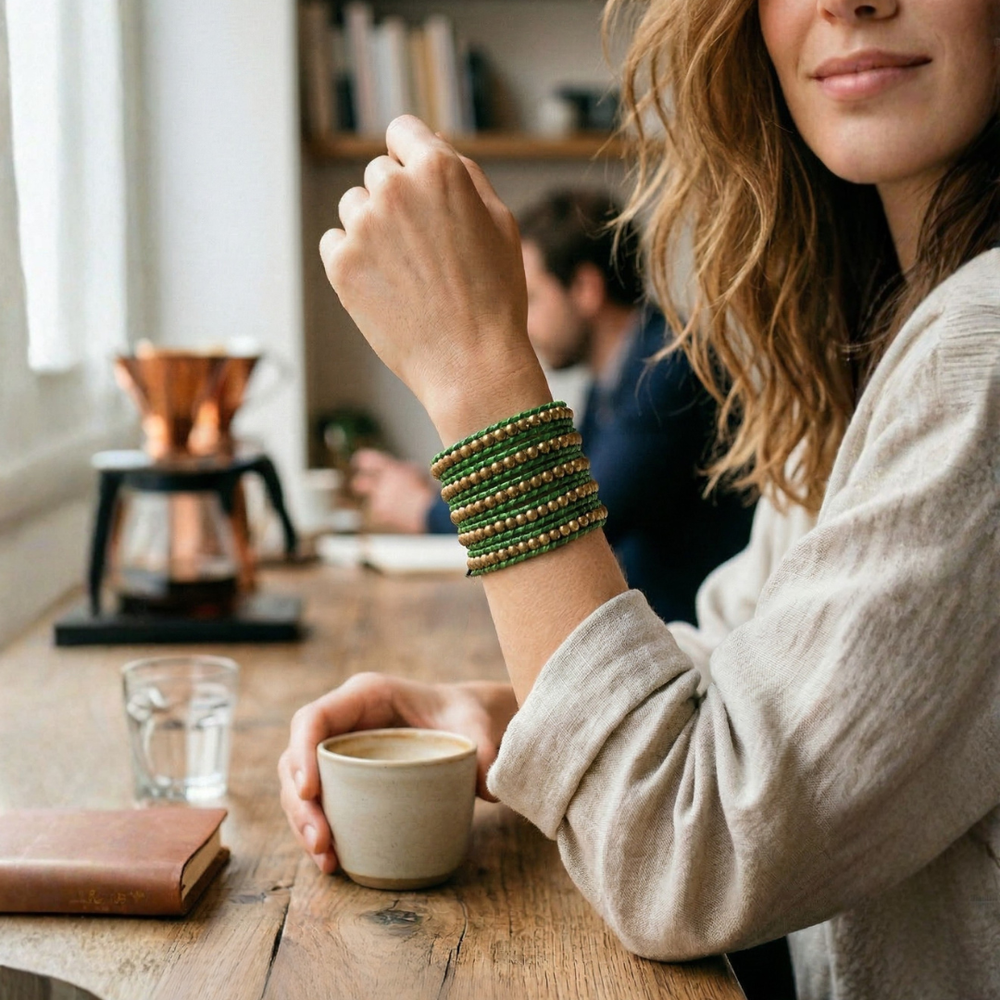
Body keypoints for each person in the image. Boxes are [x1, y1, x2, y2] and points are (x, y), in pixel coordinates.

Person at [280, 1, 1000, 998]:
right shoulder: (878, 328)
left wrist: (477, 376)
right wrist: (501, 717)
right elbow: (754, 676)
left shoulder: (982, 351)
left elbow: (681, 858)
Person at [350, 189, 755, 624]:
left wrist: (423, 511)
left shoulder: (669, 369)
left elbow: (569, 517)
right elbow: (557, 483)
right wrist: (439, 498)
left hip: (694, 637)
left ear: (585, 288)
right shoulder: (621, 371)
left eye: (532, 298)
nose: (522, 322)